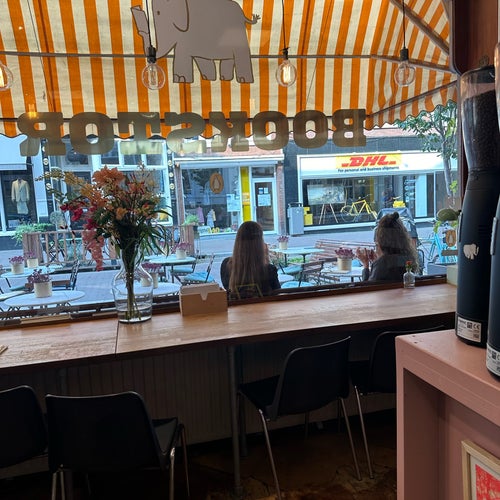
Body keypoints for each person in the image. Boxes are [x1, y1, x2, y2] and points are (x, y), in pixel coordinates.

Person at [220, 221, 280, 298]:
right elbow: (276, 294)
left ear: (238, 241)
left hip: (237, 306)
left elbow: (227, 289)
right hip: (262, 305)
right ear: (259, 243)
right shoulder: (269, 270)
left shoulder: (226, 265)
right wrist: (266, 259)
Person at [356, 211, 419, 282]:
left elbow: (368, 287)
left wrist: (366, 265)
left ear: (382, 240)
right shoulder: (408, 259)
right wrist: (376, 262)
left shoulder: (382, 265)